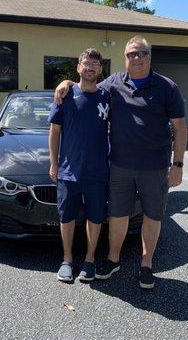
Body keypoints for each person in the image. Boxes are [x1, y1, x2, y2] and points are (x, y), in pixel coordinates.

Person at [54, 36, 187, 289]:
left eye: (141, 53)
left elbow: (180, 128)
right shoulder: (114, 83)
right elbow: (88, 85)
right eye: (131, 54)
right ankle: (113, 259)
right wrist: (67, 82)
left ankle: (146, 265)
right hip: (119, 164)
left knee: (153, 214)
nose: (136, 58)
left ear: (149, 56)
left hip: (155, 165)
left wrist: (177, 164)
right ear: (125, 58)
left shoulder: (167, 87)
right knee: (117, 214)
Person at [48, 48, 111, 283]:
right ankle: (67, 260)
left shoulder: (107, 97)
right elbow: (54, 133)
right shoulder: (64, 96)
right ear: (78, 67)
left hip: (98, 171)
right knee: (67, 218)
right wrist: (54, 165)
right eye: (86, 63)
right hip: (68, 171)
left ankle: (90, 261)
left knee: (95, 218)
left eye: (96, 63)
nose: (91, 67)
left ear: (101, 69)